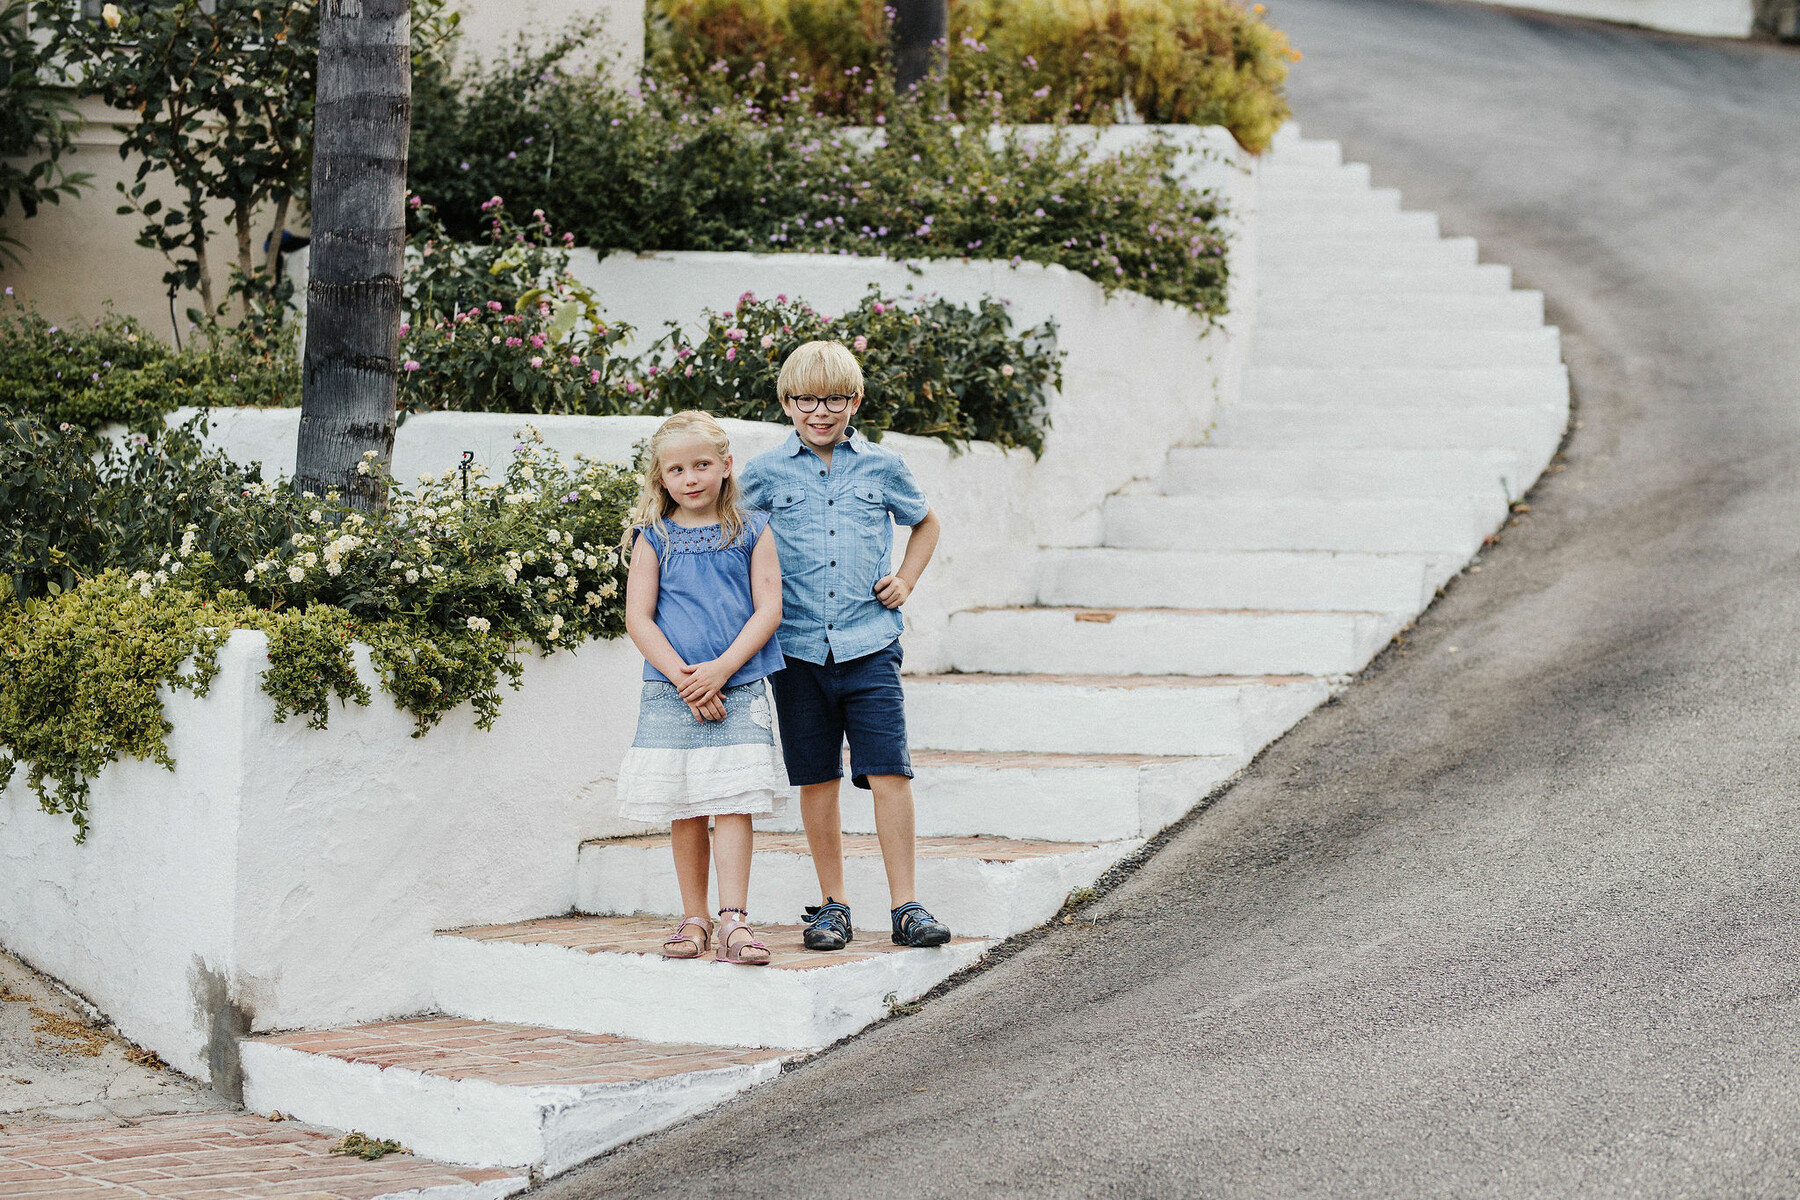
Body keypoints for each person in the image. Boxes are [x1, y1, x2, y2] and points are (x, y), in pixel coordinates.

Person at [740, 340, 952, 951]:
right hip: (796, 650)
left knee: (889, 772)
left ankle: (906, 906)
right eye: (806, 400)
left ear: (854, 401)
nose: (820, 411)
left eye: (834, 399)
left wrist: (906, 579)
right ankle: (833, 905)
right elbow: (735, 535)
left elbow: (926, 521)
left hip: (869, 645)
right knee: (817, 779)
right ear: (786, 404)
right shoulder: (764, 473)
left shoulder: (881, 466)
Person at [616, 410, 786, 965]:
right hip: (672, 689)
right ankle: (696, 918)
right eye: (676, 469)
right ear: (661, 479)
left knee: (732, 802)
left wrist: (720, 672)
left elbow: (768, 611)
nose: (690, 478)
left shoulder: (753, 530)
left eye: (702, 465)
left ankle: (736, 919)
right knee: (685, 803)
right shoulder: (654, 537)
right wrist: (687, 679)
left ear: (726, 466)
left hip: (737, 685)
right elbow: (639, 619)